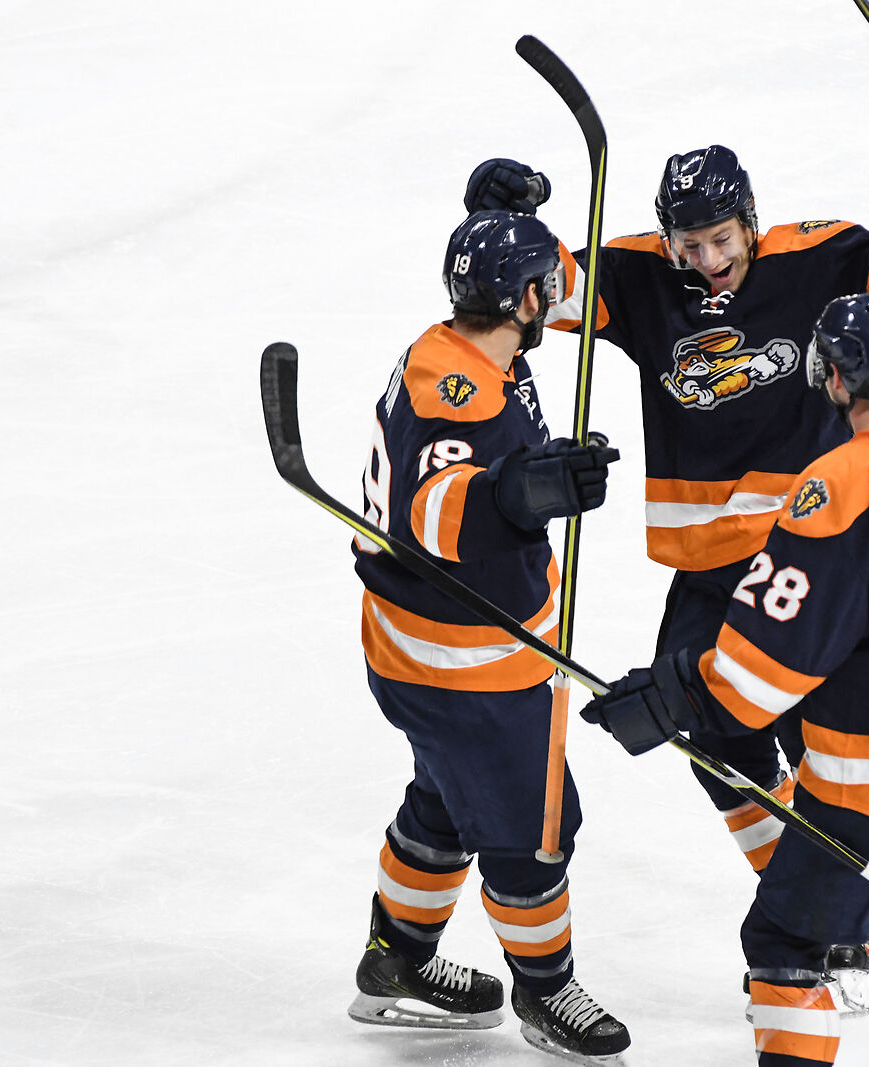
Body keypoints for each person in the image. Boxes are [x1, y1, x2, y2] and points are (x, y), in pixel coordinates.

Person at [464, 96, 869, 908]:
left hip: (803, 553)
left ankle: (842, 915)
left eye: (722, 238)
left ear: (752, 222)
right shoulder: (644, 277)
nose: (708, 258)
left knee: (817, 743)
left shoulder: (820, 260)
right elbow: (538, 289)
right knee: (709, 733)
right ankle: (800, 894)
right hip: (709, 568)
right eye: (690, 243)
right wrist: (496, 222)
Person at [580, 293, 869, 1067]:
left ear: (829, 377)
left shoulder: (835, 487)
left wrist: (668, 692)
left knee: (784, 942)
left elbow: (760, 676)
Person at [345, 208, 629, 1062]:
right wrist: (521, 492)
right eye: (551, 284)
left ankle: (396, 959)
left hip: (424, 654)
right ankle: (547, 993)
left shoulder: (464, 346)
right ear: (528, 298)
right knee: (533, 828)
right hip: (464, 667)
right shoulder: (453, 390)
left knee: (445, 799)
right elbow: (435, 510)